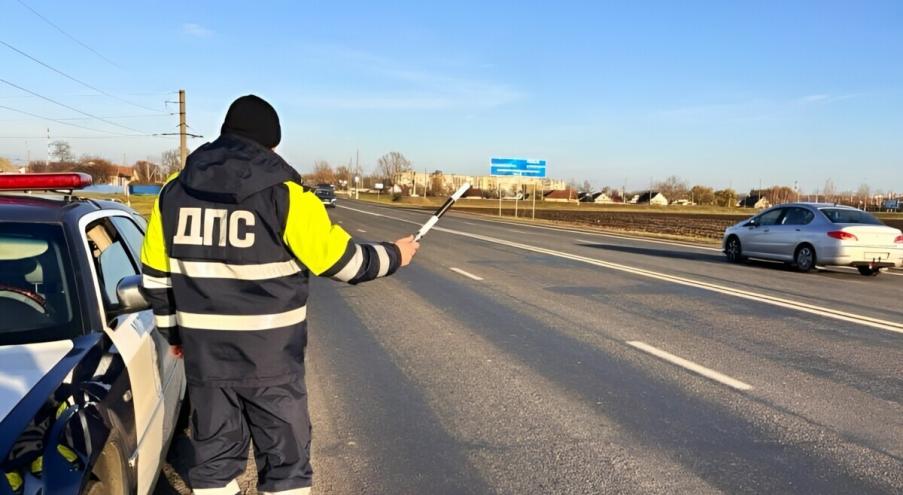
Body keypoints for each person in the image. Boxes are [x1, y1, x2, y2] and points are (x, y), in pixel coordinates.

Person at [140, 95, 419, 494]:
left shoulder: (172, 192)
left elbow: (156, 278)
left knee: (213, 466)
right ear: (270, 144)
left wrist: (176, 335)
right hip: (270, 362)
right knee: (286, 467)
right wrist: (396, 254)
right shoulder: (286, 195)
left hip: (207, 359)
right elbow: (343, 261)